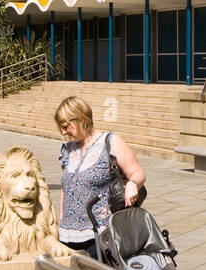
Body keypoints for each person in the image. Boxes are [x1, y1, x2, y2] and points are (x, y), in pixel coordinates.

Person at [55, 96, 146, 261]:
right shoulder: (67, 149)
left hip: (99, 234)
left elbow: (138, 173)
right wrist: (60, 218)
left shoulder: (111, 142)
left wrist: (133, 184)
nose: (63, 132)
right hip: (66, 236)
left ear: (81, 120)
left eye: (66, 127)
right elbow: (66, 187)